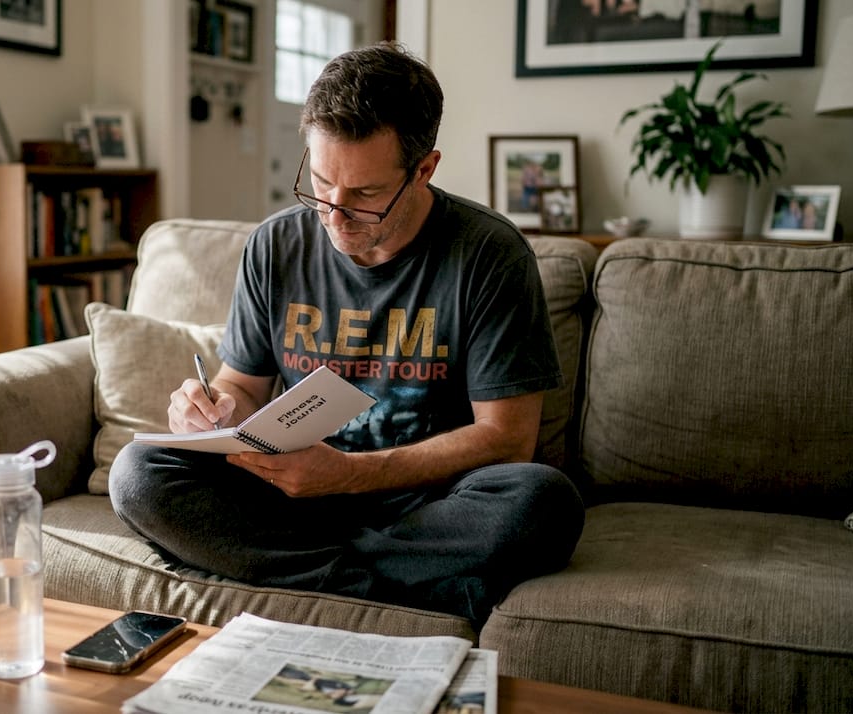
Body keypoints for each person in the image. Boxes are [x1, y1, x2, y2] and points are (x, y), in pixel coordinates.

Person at [109, 42, 584, 628]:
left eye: (364, 195)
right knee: (137, 474)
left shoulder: (488, 253)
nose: (334, 214)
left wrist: (353, 474)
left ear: (424, 169)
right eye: (321, 183)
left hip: (428, 502)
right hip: (292, 493)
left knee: (543, 502)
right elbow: (243, 383)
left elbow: (508, 440)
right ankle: (401, 588)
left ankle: (302, 576)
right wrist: (217, 409)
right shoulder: (275, 245)